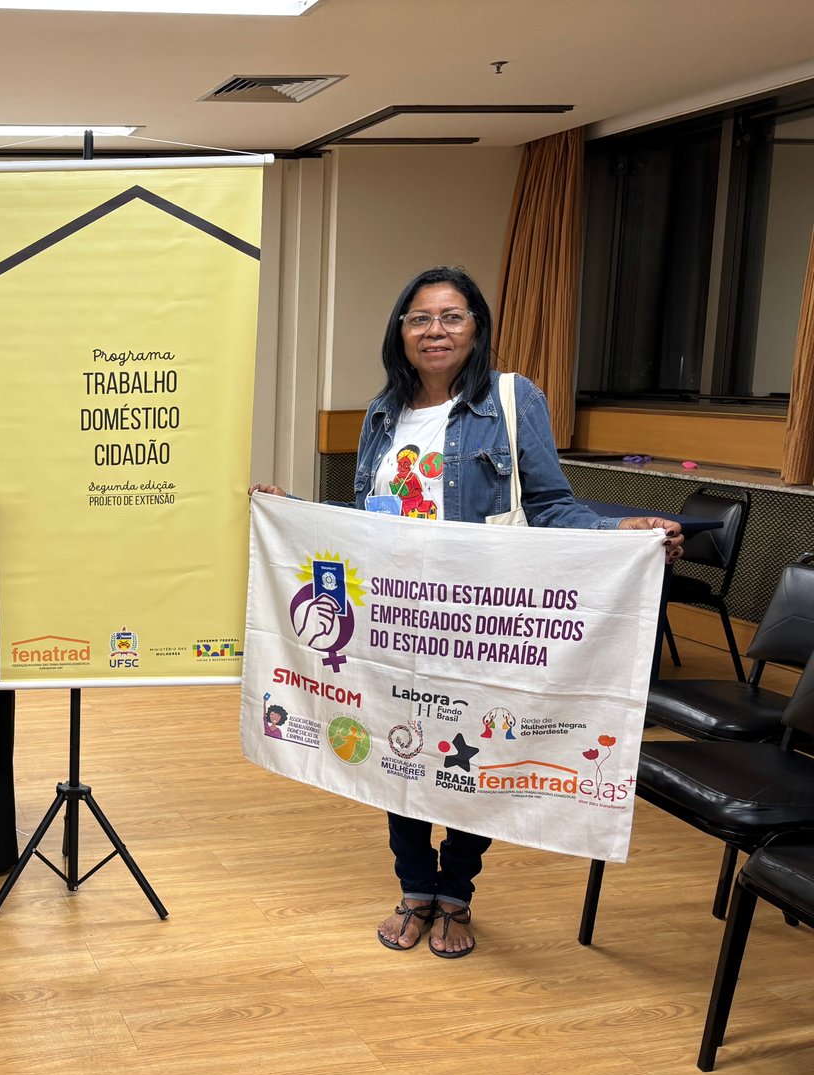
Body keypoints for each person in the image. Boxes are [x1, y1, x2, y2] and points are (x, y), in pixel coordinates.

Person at [254, 265, 682, 960]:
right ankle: (414, 887)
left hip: (476, 619)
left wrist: (619, 532)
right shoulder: (383, 412)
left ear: (476, 328)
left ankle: (456, 893)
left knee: (472, 754)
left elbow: (550, 506)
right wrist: (292, 511)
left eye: (452, 317)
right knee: (397, 748)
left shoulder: (512, 400)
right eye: (420, 318)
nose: (436, 330)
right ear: (401, 331)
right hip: (395, 616)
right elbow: (366, 518)